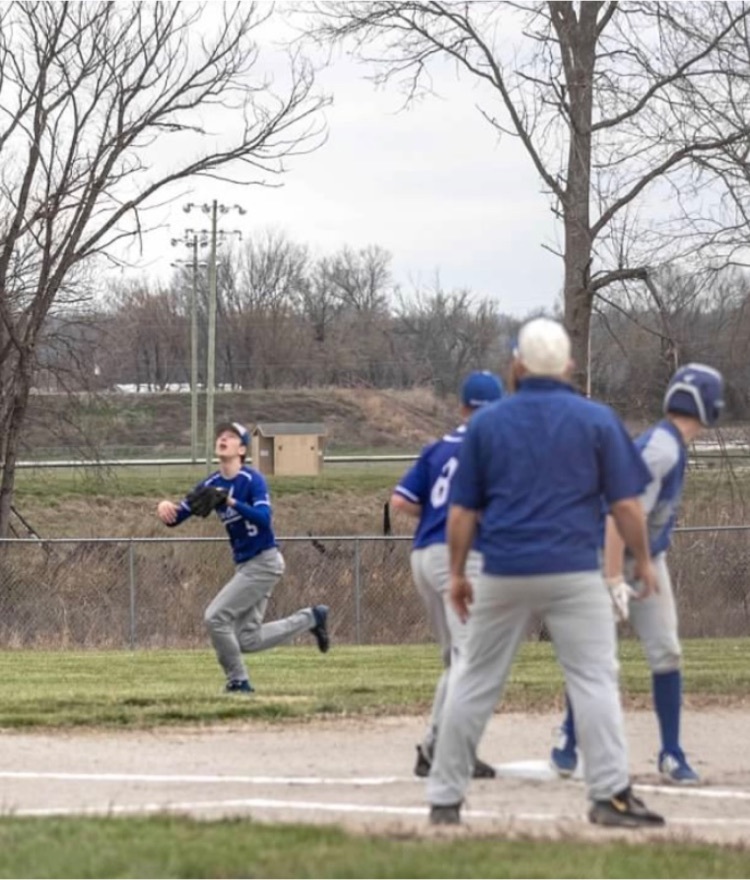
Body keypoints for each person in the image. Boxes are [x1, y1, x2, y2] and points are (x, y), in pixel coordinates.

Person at [427, 317, 665, 829]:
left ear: (517, 365)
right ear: (569, 367)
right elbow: (626, 505)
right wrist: (642, 560)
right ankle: (610, 795)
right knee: (594, 680)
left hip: (505, 567)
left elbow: (463, 512)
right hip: (574, 570)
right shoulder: (597, 419)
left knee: (475, 680)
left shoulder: (488, 423)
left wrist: (457, 573)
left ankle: (445, 799)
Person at [550, 363, 725, 785]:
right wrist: (613, 578)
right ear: (710, 407)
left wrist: (645, 562)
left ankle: (671, 752)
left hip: (646, 557)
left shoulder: (670, 444)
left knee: (666, 650)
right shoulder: (661, 450)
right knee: (595, 656)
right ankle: (568, 739)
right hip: (605, 557)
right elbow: (617, 515)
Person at [156, 421, 330, 693]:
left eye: (231, 437)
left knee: (215, 617)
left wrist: (231, 502)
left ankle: (238, 681)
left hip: (264, 561)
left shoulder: (251, 480)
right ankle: (311, 618)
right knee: (247, 639)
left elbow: (264, 519)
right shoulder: (211, 484)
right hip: (246, 566)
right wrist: (165, 507)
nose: (223, 439)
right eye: (220, 436)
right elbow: (176, 517)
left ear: (242, 449)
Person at [391, 370, 504, 780]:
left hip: (423, 554)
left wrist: (439, 517)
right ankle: (450, 749)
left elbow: (400, 501)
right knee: (472, 659)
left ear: (461, 408)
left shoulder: (437, 448)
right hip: (460, 556)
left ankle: (436, 746)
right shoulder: (493, 448)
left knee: (458, 658)